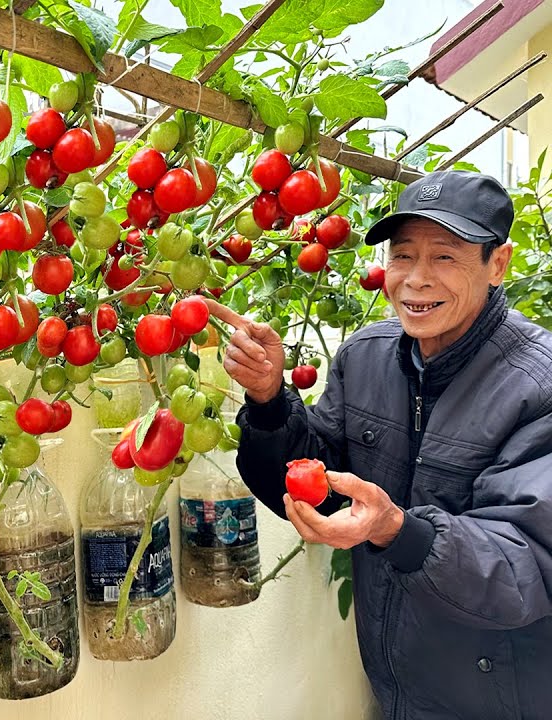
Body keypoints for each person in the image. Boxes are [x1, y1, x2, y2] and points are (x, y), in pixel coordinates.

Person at [206, 170, 552, 719]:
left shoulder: (539, 386)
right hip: (396, 686)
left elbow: (526, 566)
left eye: (445, 257)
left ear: (498, 264)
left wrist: (398, 529)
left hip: (503, 696)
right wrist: (270, 400)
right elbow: (319, 485)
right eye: (402, 255)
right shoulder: (365, 356)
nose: (415, 280)